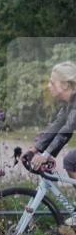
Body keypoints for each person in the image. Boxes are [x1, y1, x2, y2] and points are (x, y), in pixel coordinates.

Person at [26, 61, 76, 226]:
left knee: (71, 160)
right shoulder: (70, 102)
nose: (48, 86)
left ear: (66, 85)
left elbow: (66, 131)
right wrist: (35, 148)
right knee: (71, 161)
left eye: (52, 82)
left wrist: (45, 155)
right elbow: (57, 125)